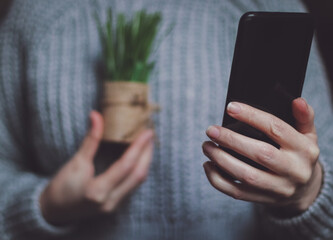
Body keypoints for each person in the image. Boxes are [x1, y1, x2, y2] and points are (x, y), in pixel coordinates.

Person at [0, 0, 332, 239]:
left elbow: (324, 160)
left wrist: (307, 194)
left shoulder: (272, 5)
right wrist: (46, 206)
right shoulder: (35, 13)